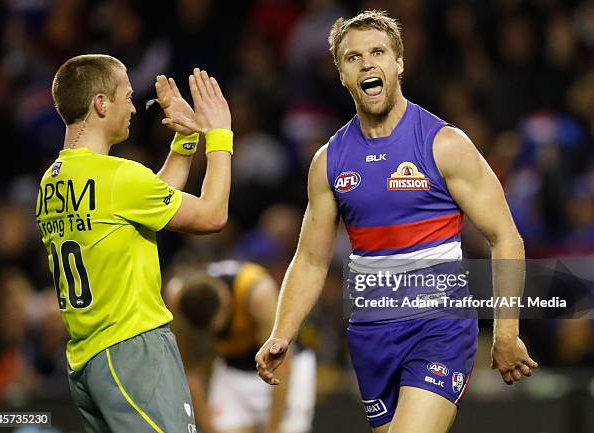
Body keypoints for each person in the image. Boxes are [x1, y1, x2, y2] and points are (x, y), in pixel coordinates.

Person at [256, 10, 538, 433]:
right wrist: (283, 331)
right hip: (370, 336)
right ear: (341, 74)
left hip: (439, 328)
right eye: (353, 57)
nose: (367, 63)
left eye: (378, 52)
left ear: (399, 62)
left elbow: (505, 237)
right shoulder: (329, 162)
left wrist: (506, 330)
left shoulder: (445, 144)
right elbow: (311, 260)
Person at [36, 54, 233, 433]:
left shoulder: (52, 181)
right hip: (134, 351)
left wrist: (186, 139)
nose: (133, 107)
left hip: (89, 359)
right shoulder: (118, 176)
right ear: (100, 103)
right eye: (127, 96)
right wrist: (219, 135)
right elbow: (212, 215)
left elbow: (147, 203)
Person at [167, 260, 316, 433]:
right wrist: (209, 428)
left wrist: (273, 429)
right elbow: (190, 369)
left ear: (227, 302)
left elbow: (282, 366)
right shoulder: (181, 301)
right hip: (232, 367)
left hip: (285, 365)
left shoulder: (257, 293)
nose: (219, 332)